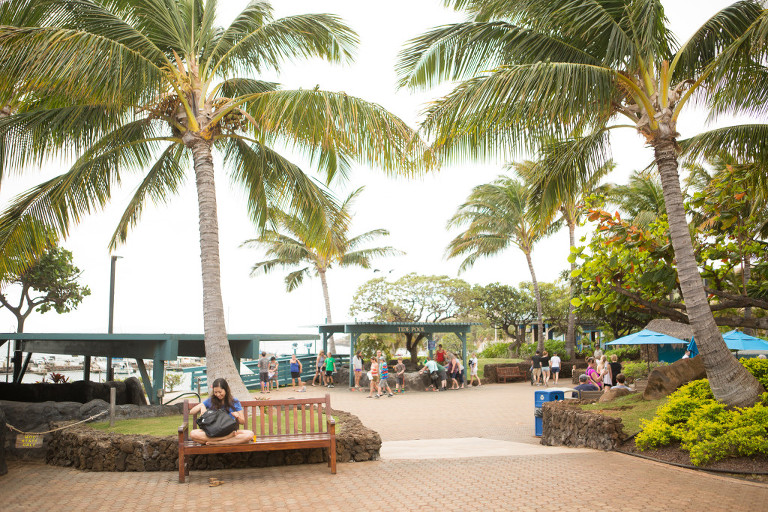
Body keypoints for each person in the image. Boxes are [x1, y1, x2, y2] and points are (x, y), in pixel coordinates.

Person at [189, 378, 254, 445]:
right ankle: (224, 439)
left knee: (250, 434)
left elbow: (242, 421)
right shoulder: (211, 400)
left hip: (229, 431)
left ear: (226, 390)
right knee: (193, 434)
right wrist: (202, 406)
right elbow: (191, 411)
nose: (218, 394)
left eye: (220, 392)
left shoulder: (234, 401)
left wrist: (237, 416)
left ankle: (217, 443)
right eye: (215, 392)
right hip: (213, 431)